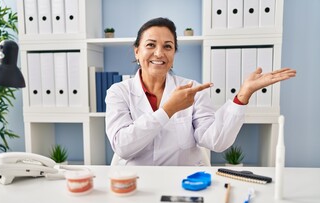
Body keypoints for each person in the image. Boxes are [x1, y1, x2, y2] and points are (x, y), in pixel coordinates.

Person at [105, 17, 296, 166]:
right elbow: (123, 146)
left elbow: (216, 141)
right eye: (150, 45)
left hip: (184, 183)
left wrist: (243, 96)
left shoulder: (192, 89)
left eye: (168, 46)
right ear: (137, 51)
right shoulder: (118, 92)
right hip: (137, 183)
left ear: (174, 54)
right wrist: (168, 110)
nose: (159, 53)